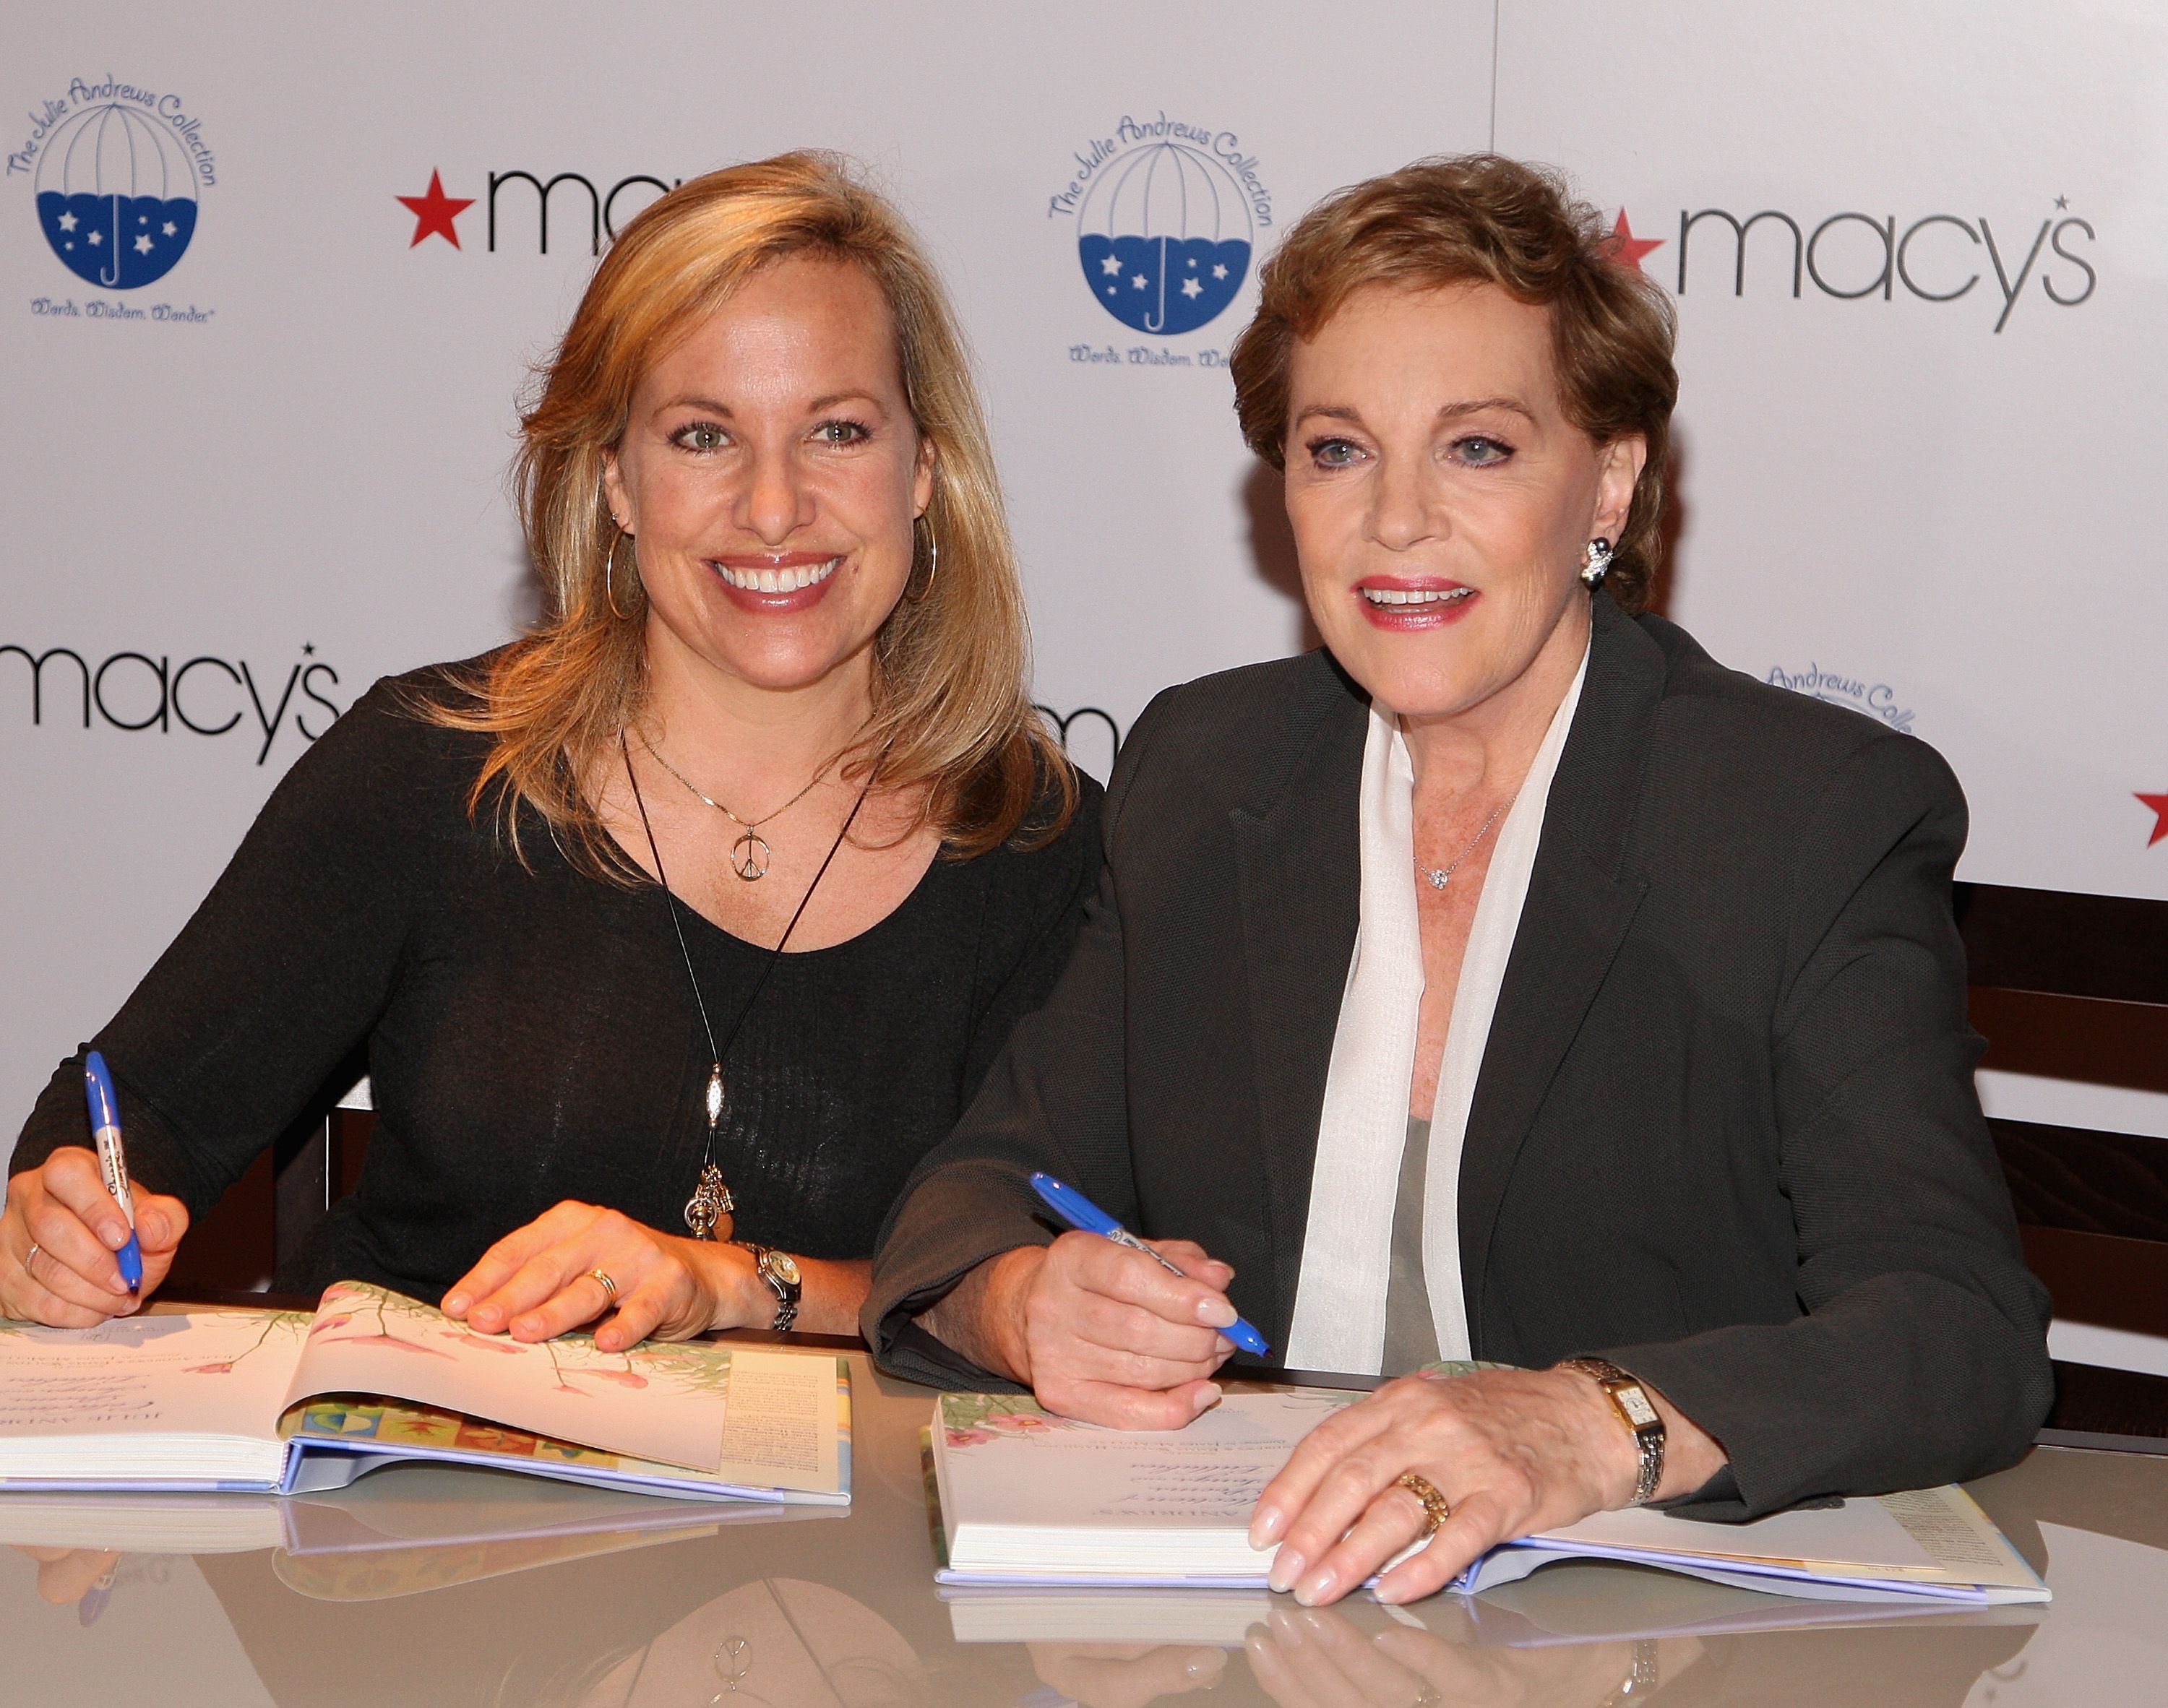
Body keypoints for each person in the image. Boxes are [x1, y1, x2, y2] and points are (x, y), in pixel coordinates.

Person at [864, 155, 2052, 1605]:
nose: (1398, 519)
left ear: (1609, 477)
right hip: (1245, 1613)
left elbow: (1957, 1327)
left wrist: (1590, 1422)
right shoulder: (1206, 770)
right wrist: (1027, 1300)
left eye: (1478, 447)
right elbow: (981, 1188)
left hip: (1648, 1636)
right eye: (1338, 449)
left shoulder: (1803, 816)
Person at [5, 152, 1098, 1350]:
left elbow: (1046, 1289)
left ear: (924, 469)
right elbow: (127, 1119)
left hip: (855, 1529)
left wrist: (735, 1281)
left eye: (837, 431)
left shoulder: (1043, 846)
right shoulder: (430, 772)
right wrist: (54, 1225)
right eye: (702, 437)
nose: (775, 508)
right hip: (405, 1511)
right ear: (617, 479)